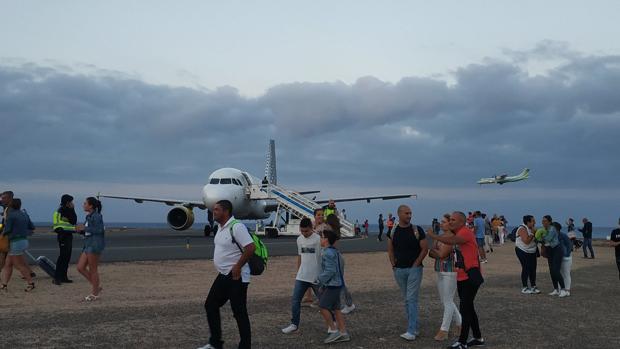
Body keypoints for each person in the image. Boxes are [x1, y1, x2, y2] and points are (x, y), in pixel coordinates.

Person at [199, 200, 255, 349]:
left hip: (237, 277)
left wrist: (238, 266)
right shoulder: (220, 227)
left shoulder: (237, 227)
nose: (213, 212)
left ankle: (245, 346)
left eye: (216, 209)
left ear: (226, 211)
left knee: (239, 313)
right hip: (223, 275)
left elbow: (250, 248)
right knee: (210, 305)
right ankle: (216, 343)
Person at [427, 212, 485, 349]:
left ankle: (462, 342)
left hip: (470, 276)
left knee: (465, 309)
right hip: (462, 275)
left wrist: (433, 235)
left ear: (461, 222)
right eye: (450, 220)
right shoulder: (459, 232)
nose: (450, 222)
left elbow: (450, 242)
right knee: (469, 308)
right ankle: (478, 337)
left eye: (453, 220)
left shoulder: (464, 232)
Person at [387, 205, 428, 341]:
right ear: (399, 214)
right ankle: (414, 327)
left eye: (410, 213)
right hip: (399, 270)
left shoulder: (417, 230)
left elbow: (424, 249)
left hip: (414, 270)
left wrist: (416, 264)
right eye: (406, 213)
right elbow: (390, 249)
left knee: (411, 299)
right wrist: (394, 265)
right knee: (407, 299)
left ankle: (411, 331)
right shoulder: (393, 231)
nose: (409, 216)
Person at [282, 217, 322, 334]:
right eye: (302, 231)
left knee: (324, 302)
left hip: (316, 276)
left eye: (307, 231)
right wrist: (299, 271)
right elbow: (300, 256)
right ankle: (294, 324)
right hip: (302, 276)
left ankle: (333, 323)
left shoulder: (318, 239)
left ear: (312, 228)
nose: (304, 233)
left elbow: (322, 257)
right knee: (295, 300)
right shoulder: (299, 239)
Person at [317, 216, 351, 344]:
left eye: (321, 237)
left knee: (323, 306)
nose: (320, 239)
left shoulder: (327, 253)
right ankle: (343, 333)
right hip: (337, 284)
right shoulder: (335, 252)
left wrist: (319, 279)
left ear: (326, 240)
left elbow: (330, 271)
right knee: (336, 309)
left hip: (332, 285)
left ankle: (333, 330)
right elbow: (340, 267)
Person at [428, 213, 461, 341]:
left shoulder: (452, 238)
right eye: (441, 222)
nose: (441, 224)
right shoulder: (440, 237)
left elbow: (441, 254)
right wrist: (436, 252)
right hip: (440, 269)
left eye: (444, 222)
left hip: (450, 271)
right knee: (446, 300)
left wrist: (435, 251)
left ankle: (444, 330)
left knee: (447, 301)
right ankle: (460, 323)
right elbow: (430, 252)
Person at [0, 198, 35, 292]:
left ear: (11, 205)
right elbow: (32, 227)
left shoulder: (11, 216)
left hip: (15, 242)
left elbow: (7, 229)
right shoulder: (24, 215)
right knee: (8, 264)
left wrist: (2, 234)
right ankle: (4, 284)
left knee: (19, 265)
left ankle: (30, 283)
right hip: (23, 241)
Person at [76, 197, 105, 301]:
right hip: (88, 244)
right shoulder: (89, 216)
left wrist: (85, 228)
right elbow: (89, 231)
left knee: (93, 270)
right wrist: (80, 231)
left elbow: (99, 230)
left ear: (91, 205)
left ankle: (95, 294)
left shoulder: (97, 216)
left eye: (85, 203)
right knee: (80, 267)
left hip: (94, 245)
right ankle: (96, 287)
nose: (83, 205)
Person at [539, 215, 568, 297]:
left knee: (556, 270)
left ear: (549, 221)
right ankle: (556, 289)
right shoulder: (544, 229)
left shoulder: (552, 229)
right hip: (550, 250)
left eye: (545, 221)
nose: (543, 222)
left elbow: (547, 239)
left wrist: (539, 237)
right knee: (551, 270)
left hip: (557, 250)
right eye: (542, 220)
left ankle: (563, 290)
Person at [53, 194, 77, 285]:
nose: (72, 203)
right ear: (67, 202)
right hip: (63, 235)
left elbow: (73, 221)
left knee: (67, 257)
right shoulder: (59, 211)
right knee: (62, 257)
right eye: (71, 201)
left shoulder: (69, 210)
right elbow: (56, 225)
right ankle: (57, 277)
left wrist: (72, 209)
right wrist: (61, 230)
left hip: (69, 235)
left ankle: (64, 276)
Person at [515, 215, 540, 294]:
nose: (535, 223)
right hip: (522, 250)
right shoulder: (522, 229)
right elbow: (526, 241)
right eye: (533, 221)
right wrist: (532, 233)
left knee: (533, 268)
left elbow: (535, 240)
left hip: (532, 251)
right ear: (528, 222)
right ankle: (525, 287)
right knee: (526, 267)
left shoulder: (532, 229)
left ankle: (533, 286)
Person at [557, 222, 572, 296]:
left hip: (566, 257)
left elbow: (569, 245)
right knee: (559, 273)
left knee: (566, 273)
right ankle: (560, 289)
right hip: (557, 256)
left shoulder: (563, 236)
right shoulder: (552, 236)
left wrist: (567, 255)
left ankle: (567, 290)